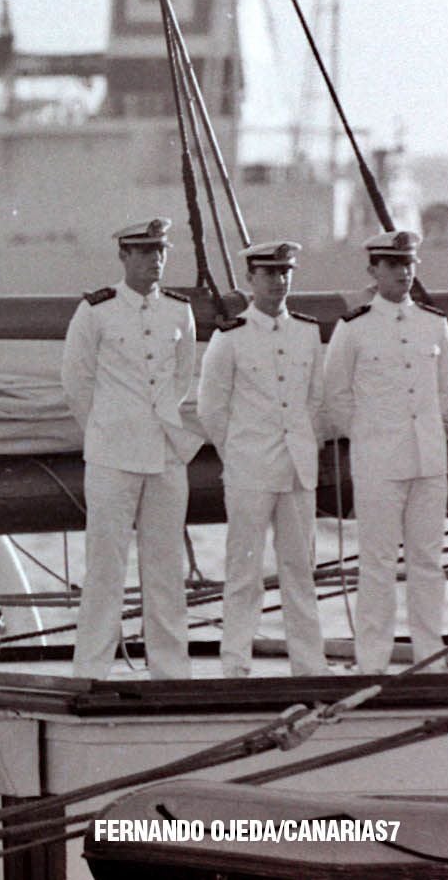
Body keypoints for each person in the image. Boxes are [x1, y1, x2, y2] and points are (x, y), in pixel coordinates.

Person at [60, 217, 201, 680]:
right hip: (112, 454)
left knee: (165, 565)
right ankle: (93, 668)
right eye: (143, 251)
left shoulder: (179, 311)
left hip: (164, 452)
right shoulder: (97, 311)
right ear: (123, 256)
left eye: (159, 250)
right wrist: (104, 429)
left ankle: (170, 668)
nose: (154, 259)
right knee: (106, 566)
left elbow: (183, 375)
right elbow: (76, 381)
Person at [323, 229, 448, 674]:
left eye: (409, 263)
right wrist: (370, 435)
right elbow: (337, 395)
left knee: (427, 562)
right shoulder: (354, 327)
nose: (404, 272)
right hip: (379, 463)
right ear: (373, 271)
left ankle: (429, 659)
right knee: (377, 565)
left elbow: (446, 391)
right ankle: (373, 661)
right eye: (394, 265)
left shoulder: (434, 323)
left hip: (428, 462)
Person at [196, 243, 328, 678]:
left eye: (284, 272)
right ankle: (235, 662)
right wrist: (237, 451)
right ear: (251, 280)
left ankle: (309, 665)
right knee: (244, 571)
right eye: (268, 273)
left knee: (300, 571)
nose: (277, 281)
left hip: (297, 470)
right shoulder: (230, 336)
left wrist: (305, 447)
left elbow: (314, 401)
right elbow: (210, 409)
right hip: (250, 469)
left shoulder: (307, 333)